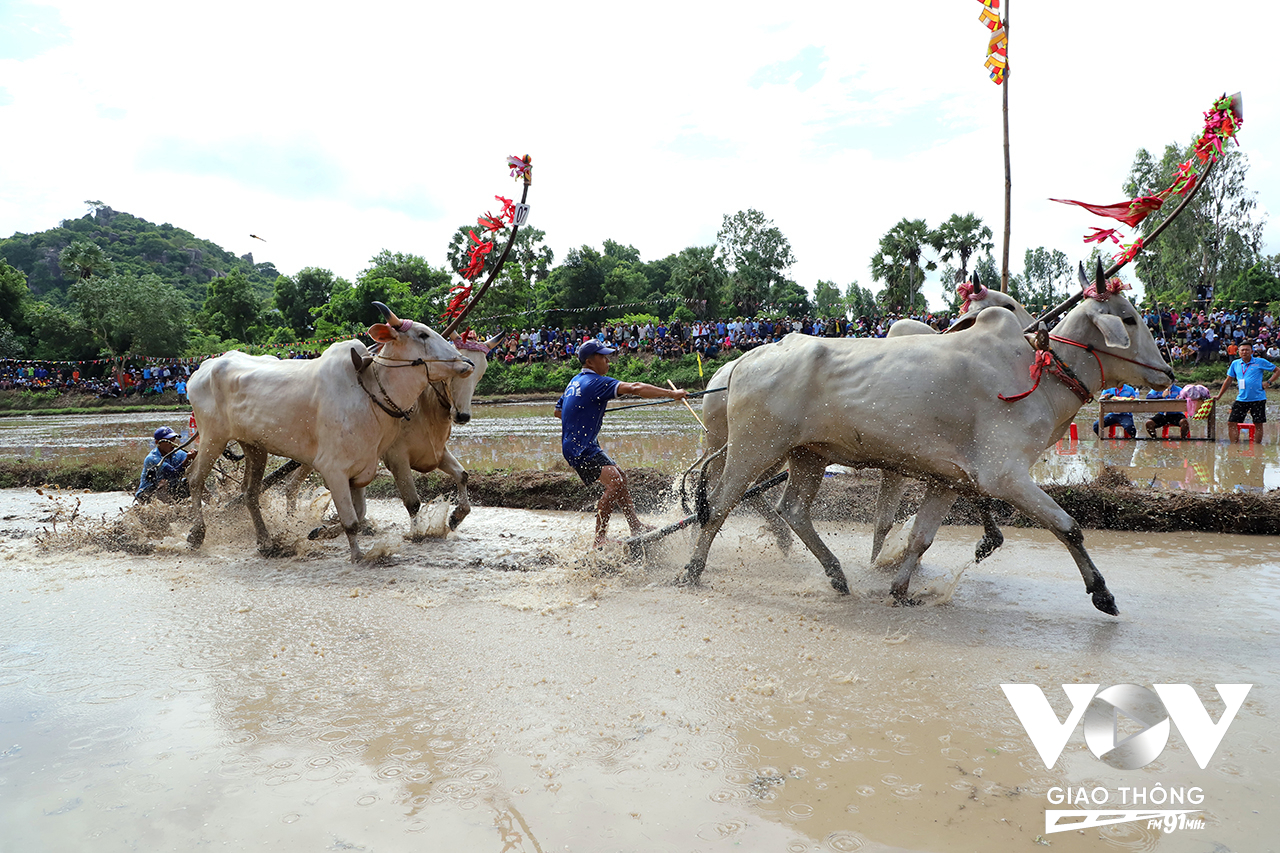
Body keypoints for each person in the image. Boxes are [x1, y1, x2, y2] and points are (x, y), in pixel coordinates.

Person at [555, 339, 688, 548]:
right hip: (580, 448)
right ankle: (599, 538)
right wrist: (672, 394)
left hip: (581, 444)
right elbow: (635, 388)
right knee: (615, 482)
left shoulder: (575, 382)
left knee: (621, 477)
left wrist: (586, 408)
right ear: (590, 362)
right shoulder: (595, 382)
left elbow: (557, 412)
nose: (608, 360)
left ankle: (635, 525)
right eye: (603, 357)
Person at [1215, 342, 1276, 442]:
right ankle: (1234, 447)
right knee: (1232, 422)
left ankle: (1257, 450)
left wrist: (1268, 382)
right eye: (1242, 350)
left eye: (1247, 350)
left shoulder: (1260, 361)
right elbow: (1228, 380)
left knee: (1258, 424)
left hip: (1258, 398)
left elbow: (1277, 370)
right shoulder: (1235, 364)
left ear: (1252, 351)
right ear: (1238, 352)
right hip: (1241, 398)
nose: (1244, 352)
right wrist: (1219, 395)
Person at [136, 426, 196, 502]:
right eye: (168, 441)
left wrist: (195, 457)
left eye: (173, 440)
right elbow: (173, 474)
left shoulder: (179, 453)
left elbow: (191, 462)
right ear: (157, 443)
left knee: (195, 481)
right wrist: (188, 459)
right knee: (164, 483)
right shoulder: (152, 458)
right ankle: (169, 509)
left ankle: (211, 503)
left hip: (170, 490)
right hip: (148, 493)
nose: (172, 444)